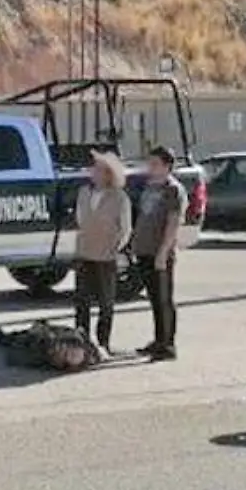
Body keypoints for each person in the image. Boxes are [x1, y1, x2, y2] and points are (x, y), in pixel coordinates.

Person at [73, 151, 132, 353]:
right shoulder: (84, 192)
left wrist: (115, 247)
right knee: (82, 300)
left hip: (106, 255)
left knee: (106, 302)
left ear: (109, 174)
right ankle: (81, 340)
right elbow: (81, 219)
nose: (93, 172)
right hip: (84, 252)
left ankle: (103, 342)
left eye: (98, 169)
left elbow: (125, 228)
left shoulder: (119, 197)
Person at [131, 145, 186, 361]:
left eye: (155, 164)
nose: (150, 168)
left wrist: (164, 251)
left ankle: (168, 344)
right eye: (149, 163)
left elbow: (173, 223)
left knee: (164, 299)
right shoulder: (149, 186)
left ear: (167, 166)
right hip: (144, 249)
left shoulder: (172, 189)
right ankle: (158, 339)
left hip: (160, 251)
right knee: (154, 298)